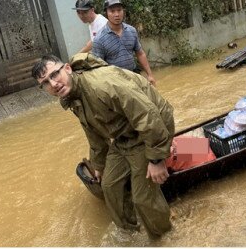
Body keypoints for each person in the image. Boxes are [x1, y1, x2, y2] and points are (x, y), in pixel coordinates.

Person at [31, 53, 173, 237]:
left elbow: (148, 115)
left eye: (54, 75)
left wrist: (157, 159)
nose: (53, 84)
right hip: (124, 136)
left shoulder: (101, 85)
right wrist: (98, 165)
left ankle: (165, 236)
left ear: (67, 68)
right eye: (45, 83)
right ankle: (130, 234)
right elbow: (93, 130)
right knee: (109, 186)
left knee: (143, 197)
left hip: (151, 129)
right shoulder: (71, 95)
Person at [92, 0, 157, 86]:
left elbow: (140, 53)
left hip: (135, 76)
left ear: (123, 11)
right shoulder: (99, 39)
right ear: (106, 13)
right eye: (112, 11)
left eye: (119, 10)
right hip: (116, 84)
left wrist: (150, 75)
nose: (117, 14)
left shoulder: (131, 31)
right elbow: (98, 68)